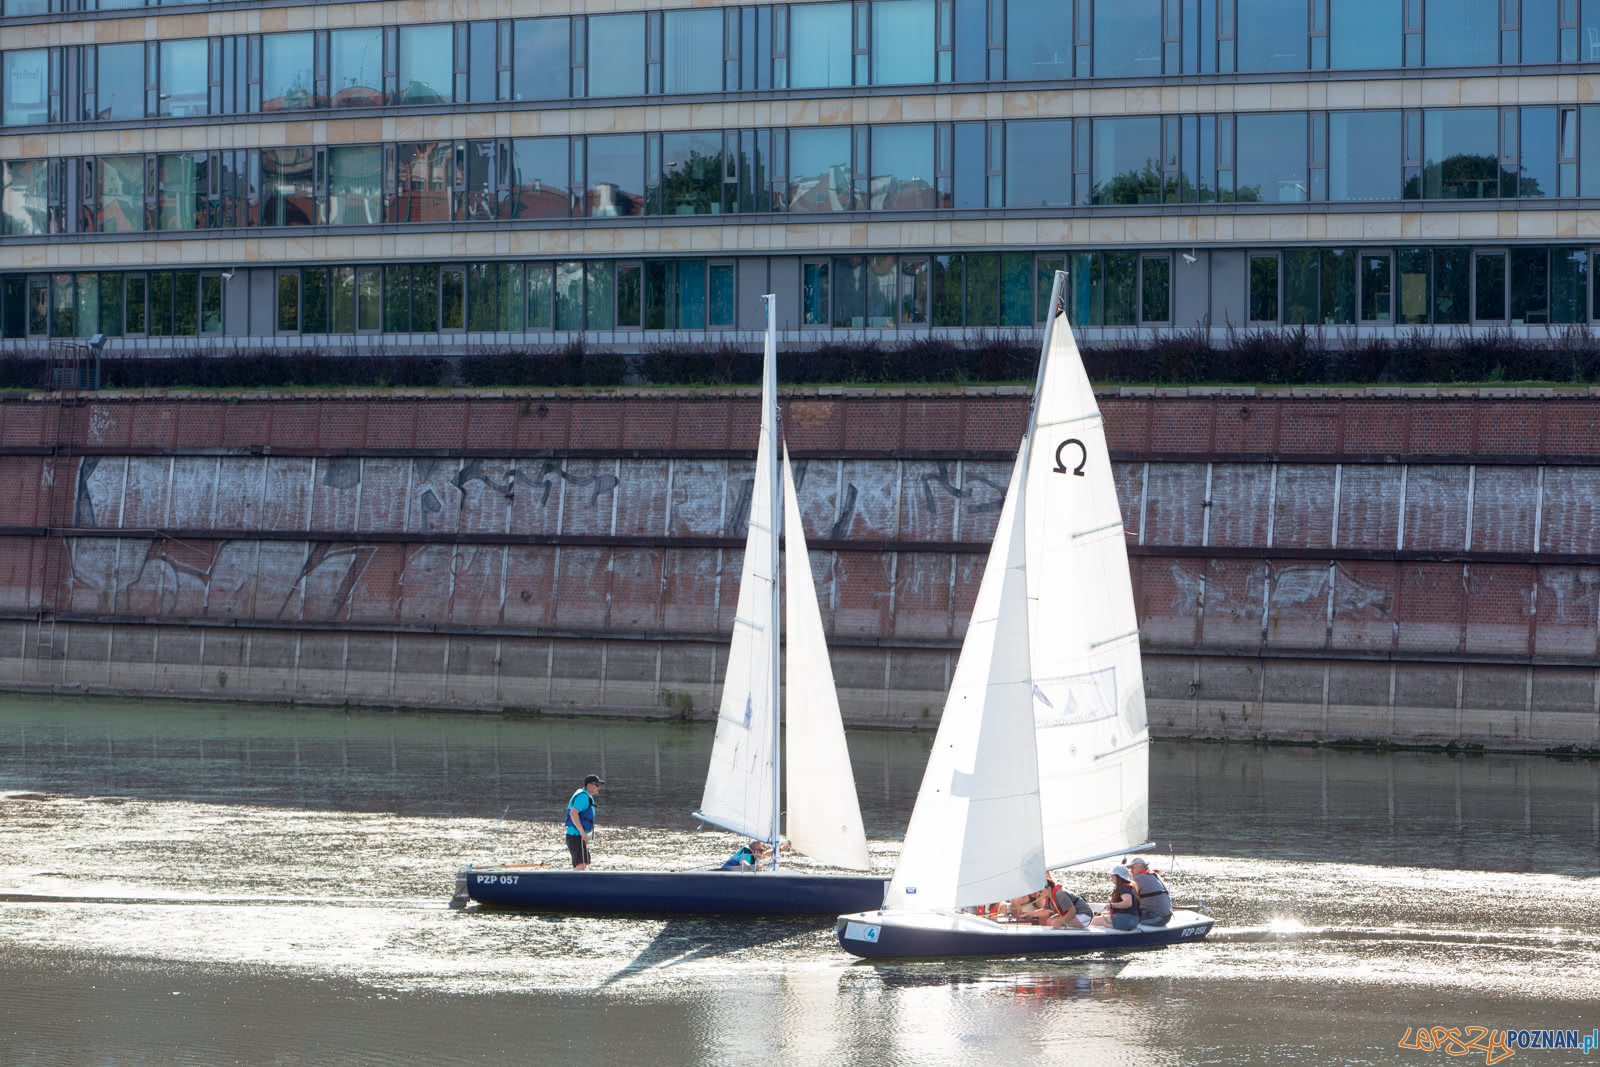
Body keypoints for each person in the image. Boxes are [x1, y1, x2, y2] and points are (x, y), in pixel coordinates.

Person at [1011, 876, 1093, 929]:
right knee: (1050, 921)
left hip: (1085, 915)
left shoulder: (1059, 894)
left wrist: (1060, 921)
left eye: (1040, 891)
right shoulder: (1049, 898)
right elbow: (1043, 911)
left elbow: (1072, 911)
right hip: (1075, 916)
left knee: (1054, 922)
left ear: (1049, 888)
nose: (1038, 894)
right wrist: (1028, 914)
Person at [564, 774, 603, 870]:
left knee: (584, 862)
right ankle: (574, 884)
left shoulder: (585, 796)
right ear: (589, 785)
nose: (599, 788)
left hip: (576, 836)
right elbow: (573, 813)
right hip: (576, 836)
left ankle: (575, 882)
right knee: (581, 864)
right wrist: (582, 832)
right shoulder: (583, 797)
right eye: (597, 785)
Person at [1090, 865, 1141, 930]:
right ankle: (1109, 925)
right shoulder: (1127, 887)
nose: (1111, 877)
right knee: (1099, 917)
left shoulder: (1124, 888)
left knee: (1094, 920)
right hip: (1132, 920)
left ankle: (1108, 926)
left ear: (1118, 877)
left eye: (1113, 876)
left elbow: (1128, 903)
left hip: (1128, 919)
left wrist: (1111, 905)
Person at [1127, 856, 1173, 927]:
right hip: (1166, 916)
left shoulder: (1139, 878)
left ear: (1142, 867)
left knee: (1126, 919)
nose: (1131, 870)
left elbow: (1129, 900)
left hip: (1158, 918)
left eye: (1133, 868)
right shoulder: (1154, 875)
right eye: (1130, 868)